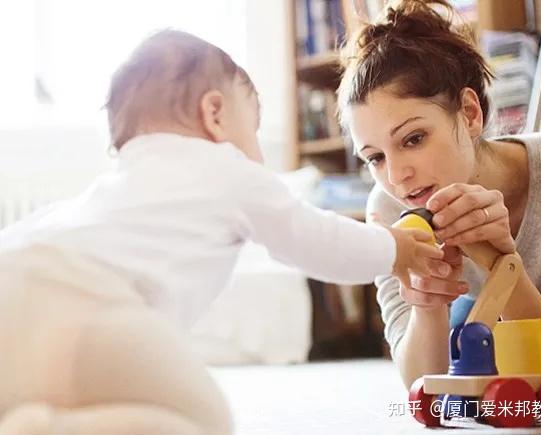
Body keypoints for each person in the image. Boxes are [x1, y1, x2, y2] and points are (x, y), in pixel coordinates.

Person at [0, 30, 443, 434]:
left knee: (57, 387)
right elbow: (318, 241)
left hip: (15, 271)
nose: (254, 152)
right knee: (200, 416)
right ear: (214, 114)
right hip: (92, 299)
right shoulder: (225, 167)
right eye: (250, 130)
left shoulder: (120, 182)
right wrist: (394, 248)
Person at [337, 0, 541, 389]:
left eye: (414, 139)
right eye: (375, 158)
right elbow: (424, 391)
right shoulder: (388, 208)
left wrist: (502, 265)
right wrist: (426, 307)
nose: (398, 177)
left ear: (469, 113)